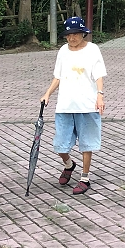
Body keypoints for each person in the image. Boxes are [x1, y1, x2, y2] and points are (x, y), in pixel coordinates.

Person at [40, 16, 106, 195]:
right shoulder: (63, 51)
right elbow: (58, 76)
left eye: (75, 34)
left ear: (83, 33)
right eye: (68, 35)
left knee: (87, 144)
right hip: (65, 105)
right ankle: (69, 165)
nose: (71, 38)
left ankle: (85, 178)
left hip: (87, 105)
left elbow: (98, 75)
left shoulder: (92, 50)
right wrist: (47, 93)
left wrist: (100, 95)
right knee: (60, 144)